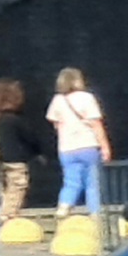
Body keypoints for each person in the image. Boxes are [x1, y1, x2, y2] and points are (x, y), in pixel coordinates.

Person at [46, 67, 113, 219]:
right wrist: (105, 147)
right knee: (92, 182)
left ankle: (63, 206)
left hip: (66, 148)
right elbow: (96, 124)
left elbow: (56, 124)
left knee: (70, 180)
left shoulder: (57, 100)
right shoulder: (87, 98)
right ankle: (95, 212)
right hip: (88, 145)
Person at [0, 78, 44, 222]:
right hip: (15, 159)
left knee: (3, 189)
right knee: (18, 187)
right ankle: (7, 215)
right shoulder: (14, 119)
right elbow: (30, 138)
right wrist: (38, 153)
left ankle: (5, 211)